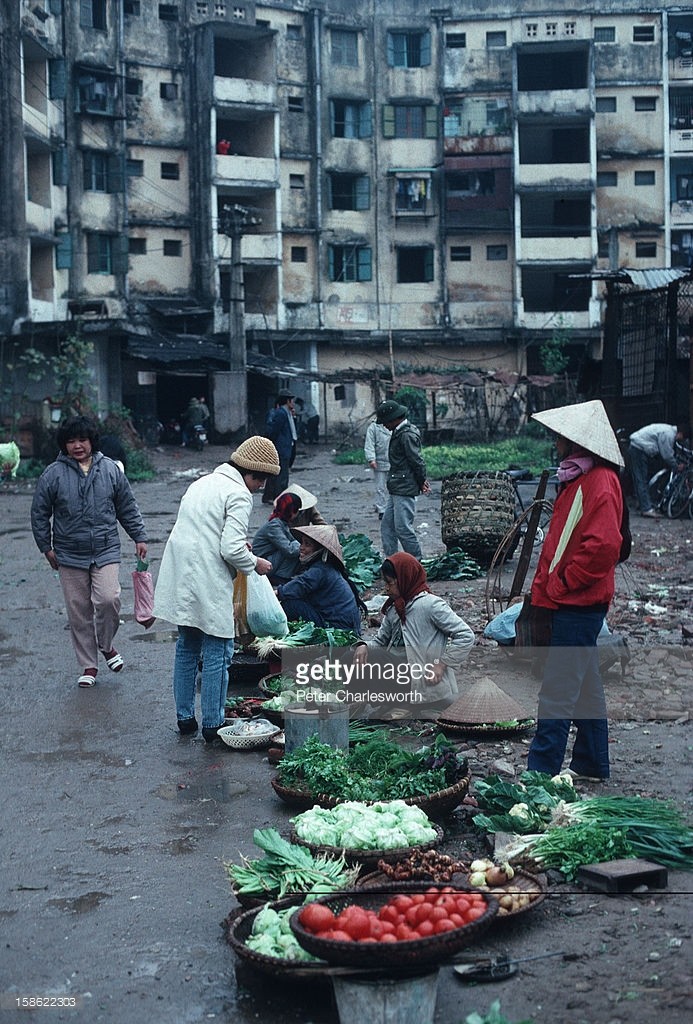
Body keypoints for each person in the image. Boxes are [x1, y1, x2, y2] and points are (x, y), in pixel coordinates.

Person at [525, 399, 627, 782]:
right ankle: (591, 763)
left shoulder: (598, 481)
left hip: (578, 601)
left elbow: (602, 548)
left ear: (576, 442)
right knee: (585, 688)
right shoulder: (580, 478)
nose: (555, 442)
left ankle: (539, 774)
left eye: (559, 437)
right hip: (576, 599)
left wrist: (561, 584)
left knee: (557, 692)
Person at [153, 436, 280, 742]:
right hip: (207, 576)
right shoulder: (238, 493)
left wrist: (239, 548)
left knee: (187, 645)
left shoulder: (201, 483)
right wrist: (256, 563)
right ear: (251, 473)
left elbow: (205, 531)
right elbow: (232, 550)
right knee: (217, 650)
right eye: (261, 479)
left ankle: (185, 718)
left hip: (183, 571)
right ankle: (213, 723)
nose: (261, 486)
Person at [30, 415, 148, 688]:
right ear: (64, 445)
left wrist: (139, 536)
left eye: (82, 440)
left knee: (109, 599)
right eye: (71, 441)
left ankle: (106, 645)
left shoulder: (109, 470)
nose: (77, 446)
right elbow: (39, 513)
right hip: (69, 553)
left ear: (91, 441)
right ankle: (89, 665)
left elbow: (127, 506)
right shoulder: (52, 474)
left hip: (105, 548)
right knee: (79, 611)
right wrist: (46, 548)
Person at [353, 553, 475, 712]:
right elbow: (379, 642)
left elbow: (466, 635)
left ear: (405, 579)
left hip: (420, 676)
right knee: (350, 655)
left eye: (390, 583)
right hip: (397, 672)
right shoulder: (394, 608)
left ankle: (400, 703)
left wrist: (441, 665)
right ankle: (362, 701)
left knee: (378, 657)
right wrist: (362, 645)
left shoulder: (430, 605)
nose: (386, 588)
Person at [275, 524, 365, 635]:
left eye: (307, 544)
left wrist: (277, 593)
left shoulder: (320, 570)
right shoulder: (326, 568)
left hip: (337, 628)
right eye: (302, 543)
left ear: (319, 550)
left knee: (290, 605)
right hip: (344, 625)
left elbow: (301, 584)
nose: (301, 547)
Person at [375, 399, 430, 560]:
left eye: (386, 422)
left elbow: (417, 461)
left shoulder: (406, 435)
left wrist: (422, 481)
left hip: (404, 487)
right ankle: (392, 561)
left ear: (394, 419)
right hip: (397, 487)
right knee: (387, 527)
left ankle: (416, 562)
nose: (384, 425)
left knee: (402, 528)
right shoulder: (400, 432)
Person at [627, 421, 689, 517]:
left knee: (642, 478)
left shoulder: (667, 430)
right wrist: (676, 466)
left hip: (639, 448)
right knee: (641, 479)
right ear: (680, 434)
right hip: (638, 449)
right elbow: (667, 455)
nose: (680, 441)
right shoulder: (669, 434)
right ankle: (647, 509)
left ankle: (643, 503)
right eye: (682, 438)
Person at [252, 491, 302, 586]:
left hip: (270, 559)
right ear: (291, 511)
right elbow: (289, 550)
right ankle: (280, 577)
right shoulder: (274, 526)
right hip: (262, 564)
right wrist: (303, 543)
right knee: (294, 549)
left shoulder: (282, 523)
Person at [262, 388, 297, 504]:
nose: (293, 403)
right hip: (281, 448)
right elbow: (274, 431)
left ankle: (273, 497)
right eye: (291, 400)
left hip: (286, 447)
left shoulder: (288, 413)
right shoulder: (281, 413)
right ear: (287, 401)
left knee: (278, 474)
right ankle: (279, 499)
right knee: (281, 476)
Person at [364, 418, 391, 519]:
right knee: (380, 487)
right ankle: (382, 510)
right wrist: (371, 459)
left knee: (394, 486)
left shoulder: (395, 423)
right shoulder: (374, 427)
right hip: (379, 461)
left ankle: (393, 509)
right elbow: (369, 444)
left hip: (394, 461)